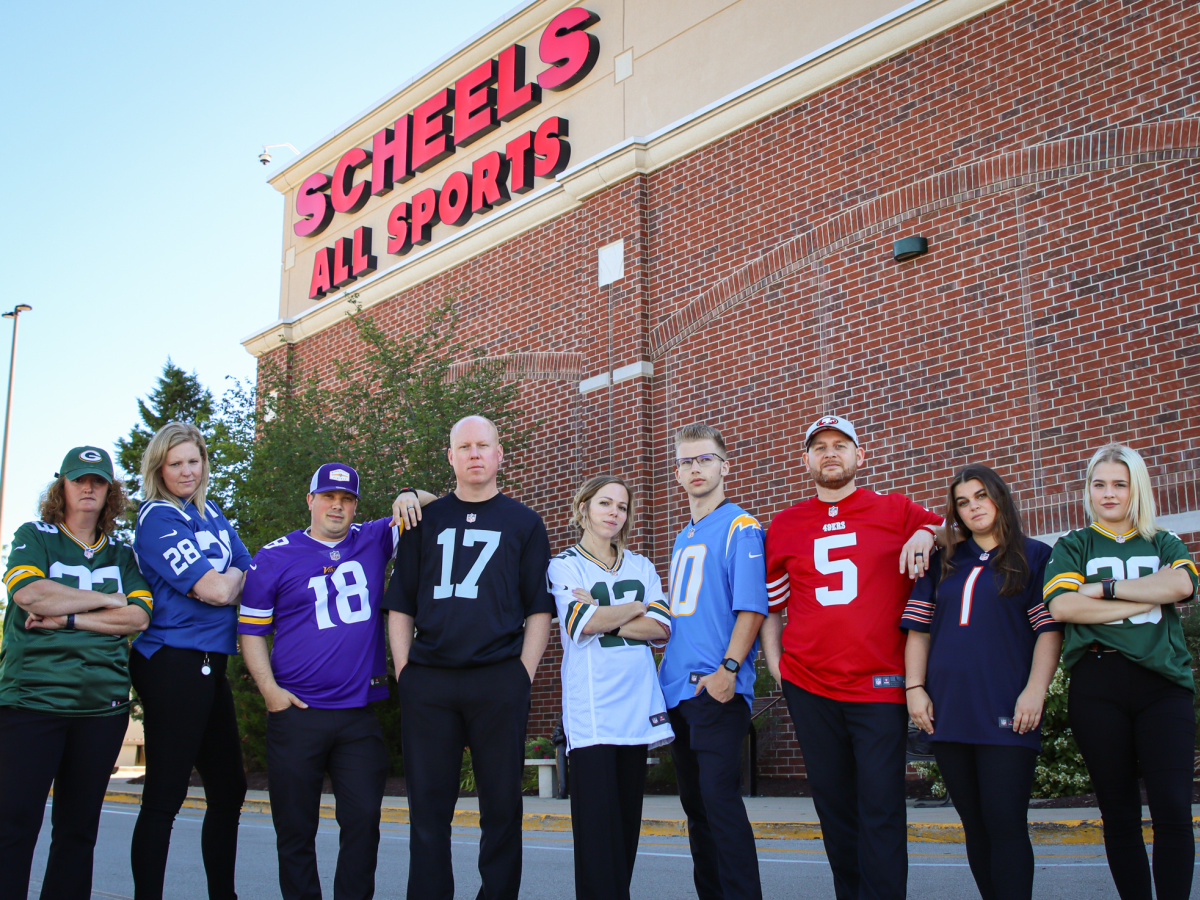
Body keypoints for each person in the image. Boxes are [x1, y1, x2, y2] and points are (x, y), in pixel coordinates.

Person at [761, 414, 940, 900]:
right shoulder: (784, 524)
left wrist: (928, 534)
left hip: (878, 685)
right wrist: (777, 665)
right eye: (819, 447)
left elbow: (957, 529)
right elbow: (772, 607)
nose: (830, 453)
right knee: (835, 810)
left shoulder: (897, 509)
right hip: (809, 687)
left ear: (861, 456)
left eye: (841, 445)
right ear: (805, 461)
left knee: (881, 807)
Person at [238, 464, 434, 900]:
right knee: (294, 829)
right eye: (328, 497)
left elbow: (434, 505)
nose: (337, 506)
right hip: (296, 713)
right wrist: (270, 693)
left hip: (357, 714)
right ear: (310, 501)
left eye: (346, 499)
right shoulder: (273, 556)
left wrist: (408, 492)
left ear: (355, 506)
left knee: (364, 823)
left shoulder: (374, 537)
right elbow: (250, 631)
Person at [382, 414, 554, 900]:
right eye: (465, 447)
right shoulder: (424, 520)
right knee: (428, 809)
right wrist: (405, 673)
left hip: (498, 679)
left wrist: (523, 674)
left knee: (501, 807)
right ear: (451, 457)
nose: (475, 454)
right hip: (430, 682)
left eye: (484, 445)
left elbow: (538, 608)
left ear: (500, 454)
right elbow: (400, 604)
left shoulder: (524, 522)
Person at [902, 464, 1063, 900]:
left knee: (1005, 823)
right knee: (974, 825)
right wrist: (914, 689)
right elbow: (918, 631)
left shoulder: (1034, 557)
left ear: (1000, 498)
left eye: (981, 496)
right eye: (962, 501)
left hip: (1006, 708)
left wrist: (1035, 690)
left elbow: (1049, 632)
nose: (973, 507)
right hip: (949, 711)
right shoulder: (945, 561)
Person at [1045, 443, 1198, 900]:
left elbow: (1182, 583)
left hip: (1162, 686)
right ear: (1088, 489)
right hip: (1098, 684)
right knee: (1119, 811)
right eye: (1099, 484)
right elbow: (1063, 606)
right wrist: (1146, 596)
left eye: (1119, 484)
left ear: (1137, 489)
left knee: (1172, 805)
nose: (1108, 494)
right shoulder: (1074, 544)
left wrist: (1105, 589)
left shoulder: (1162, 540)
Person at [0, 446, 153, 900]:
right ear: (61, 486)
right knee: (14, 824)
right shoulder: (37, 535)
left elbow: (139, 618)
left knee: (78, 831)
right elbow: (30, 594)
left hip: (101, 710)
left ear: (110, 491)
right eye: (78, 479)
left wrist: (69, 617)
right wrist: (109, 600)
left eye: (98, 481)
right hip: (31, 702)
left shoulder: (122, 555)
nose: (88, 487)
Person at [130, 422, 253, 900]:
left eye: (193, 461)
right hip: (171, 661)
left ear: (204, 463)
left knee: (229, 790)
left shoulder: (211, 513)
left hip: (210, 661)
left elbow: (248, 565)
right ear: (159, 467)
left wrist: (235, 573)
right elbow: (219, 587)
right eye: (176, 462)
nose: (186, 470)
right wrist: (233, 575)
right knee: (166, 793)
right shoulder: (158, 518)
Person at [548, 475, 674, 900]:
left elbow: (660, 626)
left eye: (621, 507)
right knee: (597, 840)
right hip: (593, 716)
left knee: (625, 831)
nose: (613, 514)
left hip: (637, 710)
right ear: (584, 507)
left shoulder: (641, 565)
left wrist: (608, 610)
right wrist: (636, 605)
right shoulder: (564, 565)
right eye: (605, 503)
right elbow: (582, 623)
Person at [657, 423, 767, 900]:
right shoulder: (684, 534)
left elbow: (753, 608)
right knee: (697, 811)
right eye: (686, 461)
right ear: (678, 474)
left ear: (725, 465)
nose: (695, 468)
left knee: (720, 806)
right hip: (678, 692)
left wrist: (728, 671)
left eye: (704, 459)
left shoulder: (741, 526)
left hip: (716, 690)